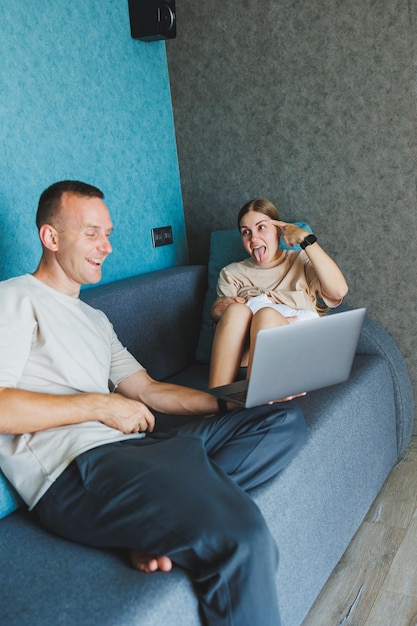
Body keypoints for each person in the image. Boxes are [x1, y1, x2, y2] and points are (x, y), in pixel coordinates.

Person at [0, 181, 308, 626]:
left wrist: (233, 405)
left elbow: (147, 390)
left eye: (107, 233)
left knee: (281, 419)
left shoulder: (94, 319)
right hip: (77, 469)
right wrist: (101, 407)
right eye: (91, 233)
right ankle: (171, 517)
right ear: (51, 238)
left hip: (133, 452)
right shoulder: (14, 298)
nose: (105, 246)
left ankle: (158, 522)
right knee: (244, 538)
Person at [209, 198, 348, 388]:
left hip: (294, 348)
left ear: (278, 230)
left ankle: (256, 395)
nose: (253, 238)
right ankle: (217, 401)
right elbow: (221, 319)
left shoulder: (301, 261)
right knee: (236, 310)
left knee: (266, 315)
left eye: (261, 227)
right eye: (246, 232)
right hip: (244, 355)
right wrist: (223, 310)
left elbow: (339, 290)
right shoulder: (231, 273)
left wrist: (305, 239)